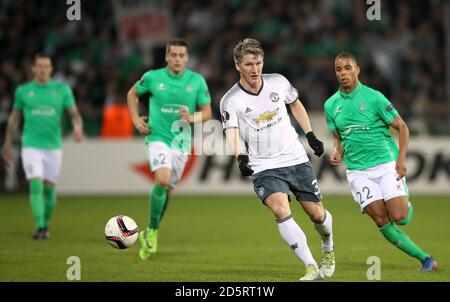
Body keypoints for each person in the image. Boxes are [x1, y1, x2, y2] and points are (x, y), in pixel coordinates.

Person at [220, 38, 335, 281]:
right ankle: (311, 267)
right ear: (237, 65)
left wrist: (311, 134)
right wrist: (240, 156)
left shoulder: (278, 82)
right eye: (249, 64)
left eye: (259, 63)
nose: (255, 69)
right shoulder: (231, 100)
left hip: (295, 158)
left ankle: (328, 249)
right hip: (264, 166)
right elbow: (231, 131)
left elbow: (296, 105)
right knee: (280, 209)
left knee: (317, 215)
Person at [324, 52, 438, 272]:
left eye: (347, 68)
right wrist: (337, 151)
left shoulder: (374, 97)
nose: (343, 73)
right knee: (380, 219)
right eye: (338, 69)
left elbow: (402, 127)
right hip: (358, 172)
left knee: (400, 217)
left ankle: (403, 201)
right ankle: (426, 259)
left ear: (357, 70)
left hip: (385, 164)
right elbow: (338, 135)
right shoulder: (331, 105)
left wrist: (401, 160)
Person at [127, 39, 212, 260]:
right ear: (166, 56)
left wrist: (192, 117)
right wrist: (136, 120)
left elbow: (207, 112)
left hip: (181, 143)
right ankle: (153, 232)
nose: (177, 59)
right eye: (173, 55)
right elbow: (132, 94)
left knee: (168, 193)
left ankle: (150, 230)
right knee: (162, 181)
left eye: (181, 55)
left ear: (187, 58)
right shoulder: (153, 77)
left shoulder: (197, 81)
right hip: (157, 137)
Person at [1, 53, 84, 239]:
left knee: (49, 189)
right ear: (33, 69)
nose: (42, 70)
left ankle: (45, 224)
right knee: (36, 184)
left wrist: (78, 128)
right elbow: (14, 118)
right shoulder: (23, 91)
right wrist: (7, 143)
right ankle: (40, 227)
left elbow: (74, 114)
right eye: (39, 66)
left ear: (51, 69)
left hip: (53, 146)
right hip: (30, 145)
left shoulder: (62, 90)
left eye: (46, 66)